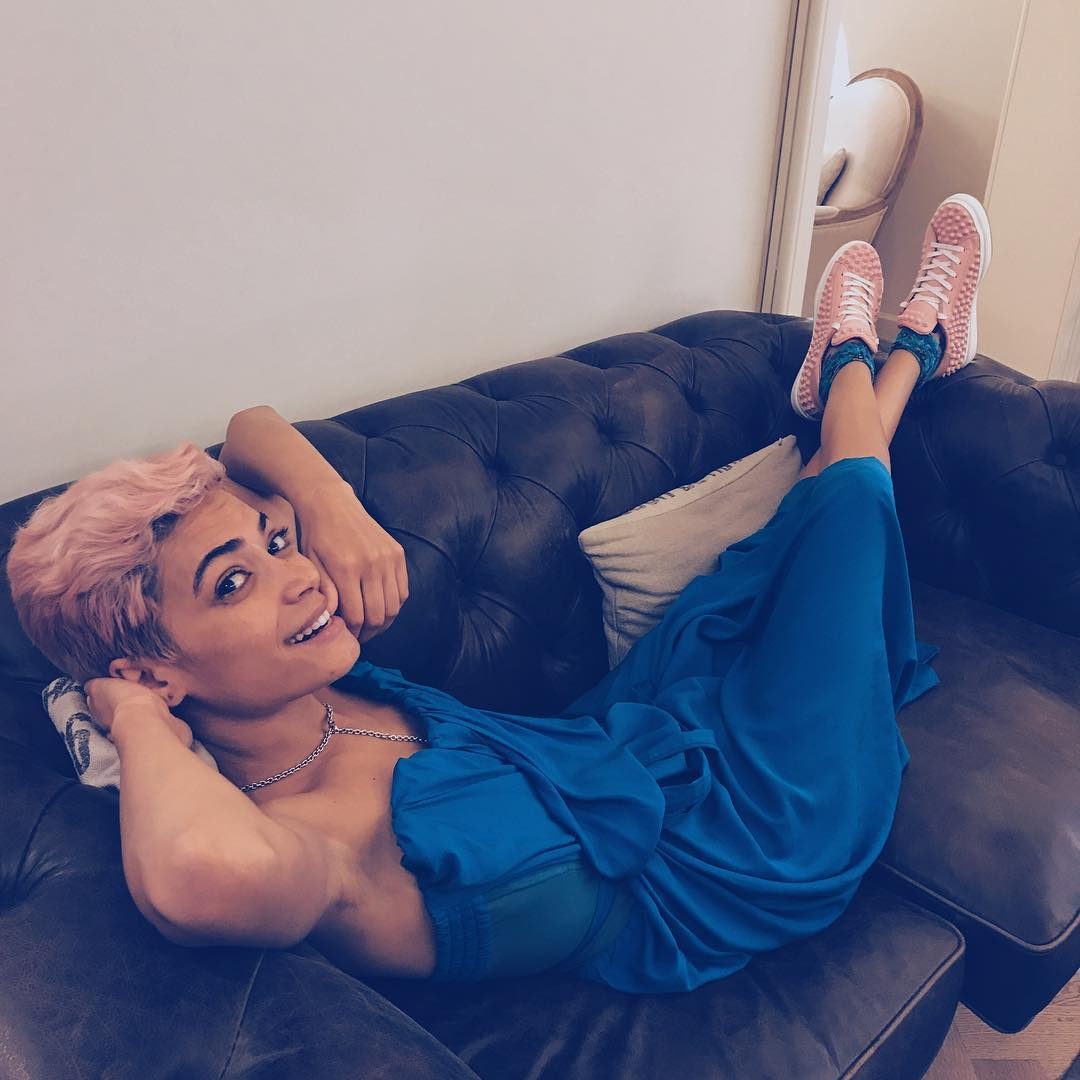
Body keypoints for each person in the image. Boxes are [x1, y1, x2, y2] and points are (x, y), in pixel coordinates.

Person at [5, 193, 990, 995]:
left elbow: (248, 428)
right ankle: (886, 352)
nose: (299, 575)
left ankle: (873, 362)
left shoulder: (308, 685)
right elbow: (195, 874)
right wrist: (130, 713)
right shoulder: (314, 841)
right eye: (233, 582)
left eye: (275, 542)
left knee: (780, 559)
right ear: (155, 669)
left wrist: (331, 507)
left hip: (613, 737)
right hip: (740, 856)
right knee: (849, 506)